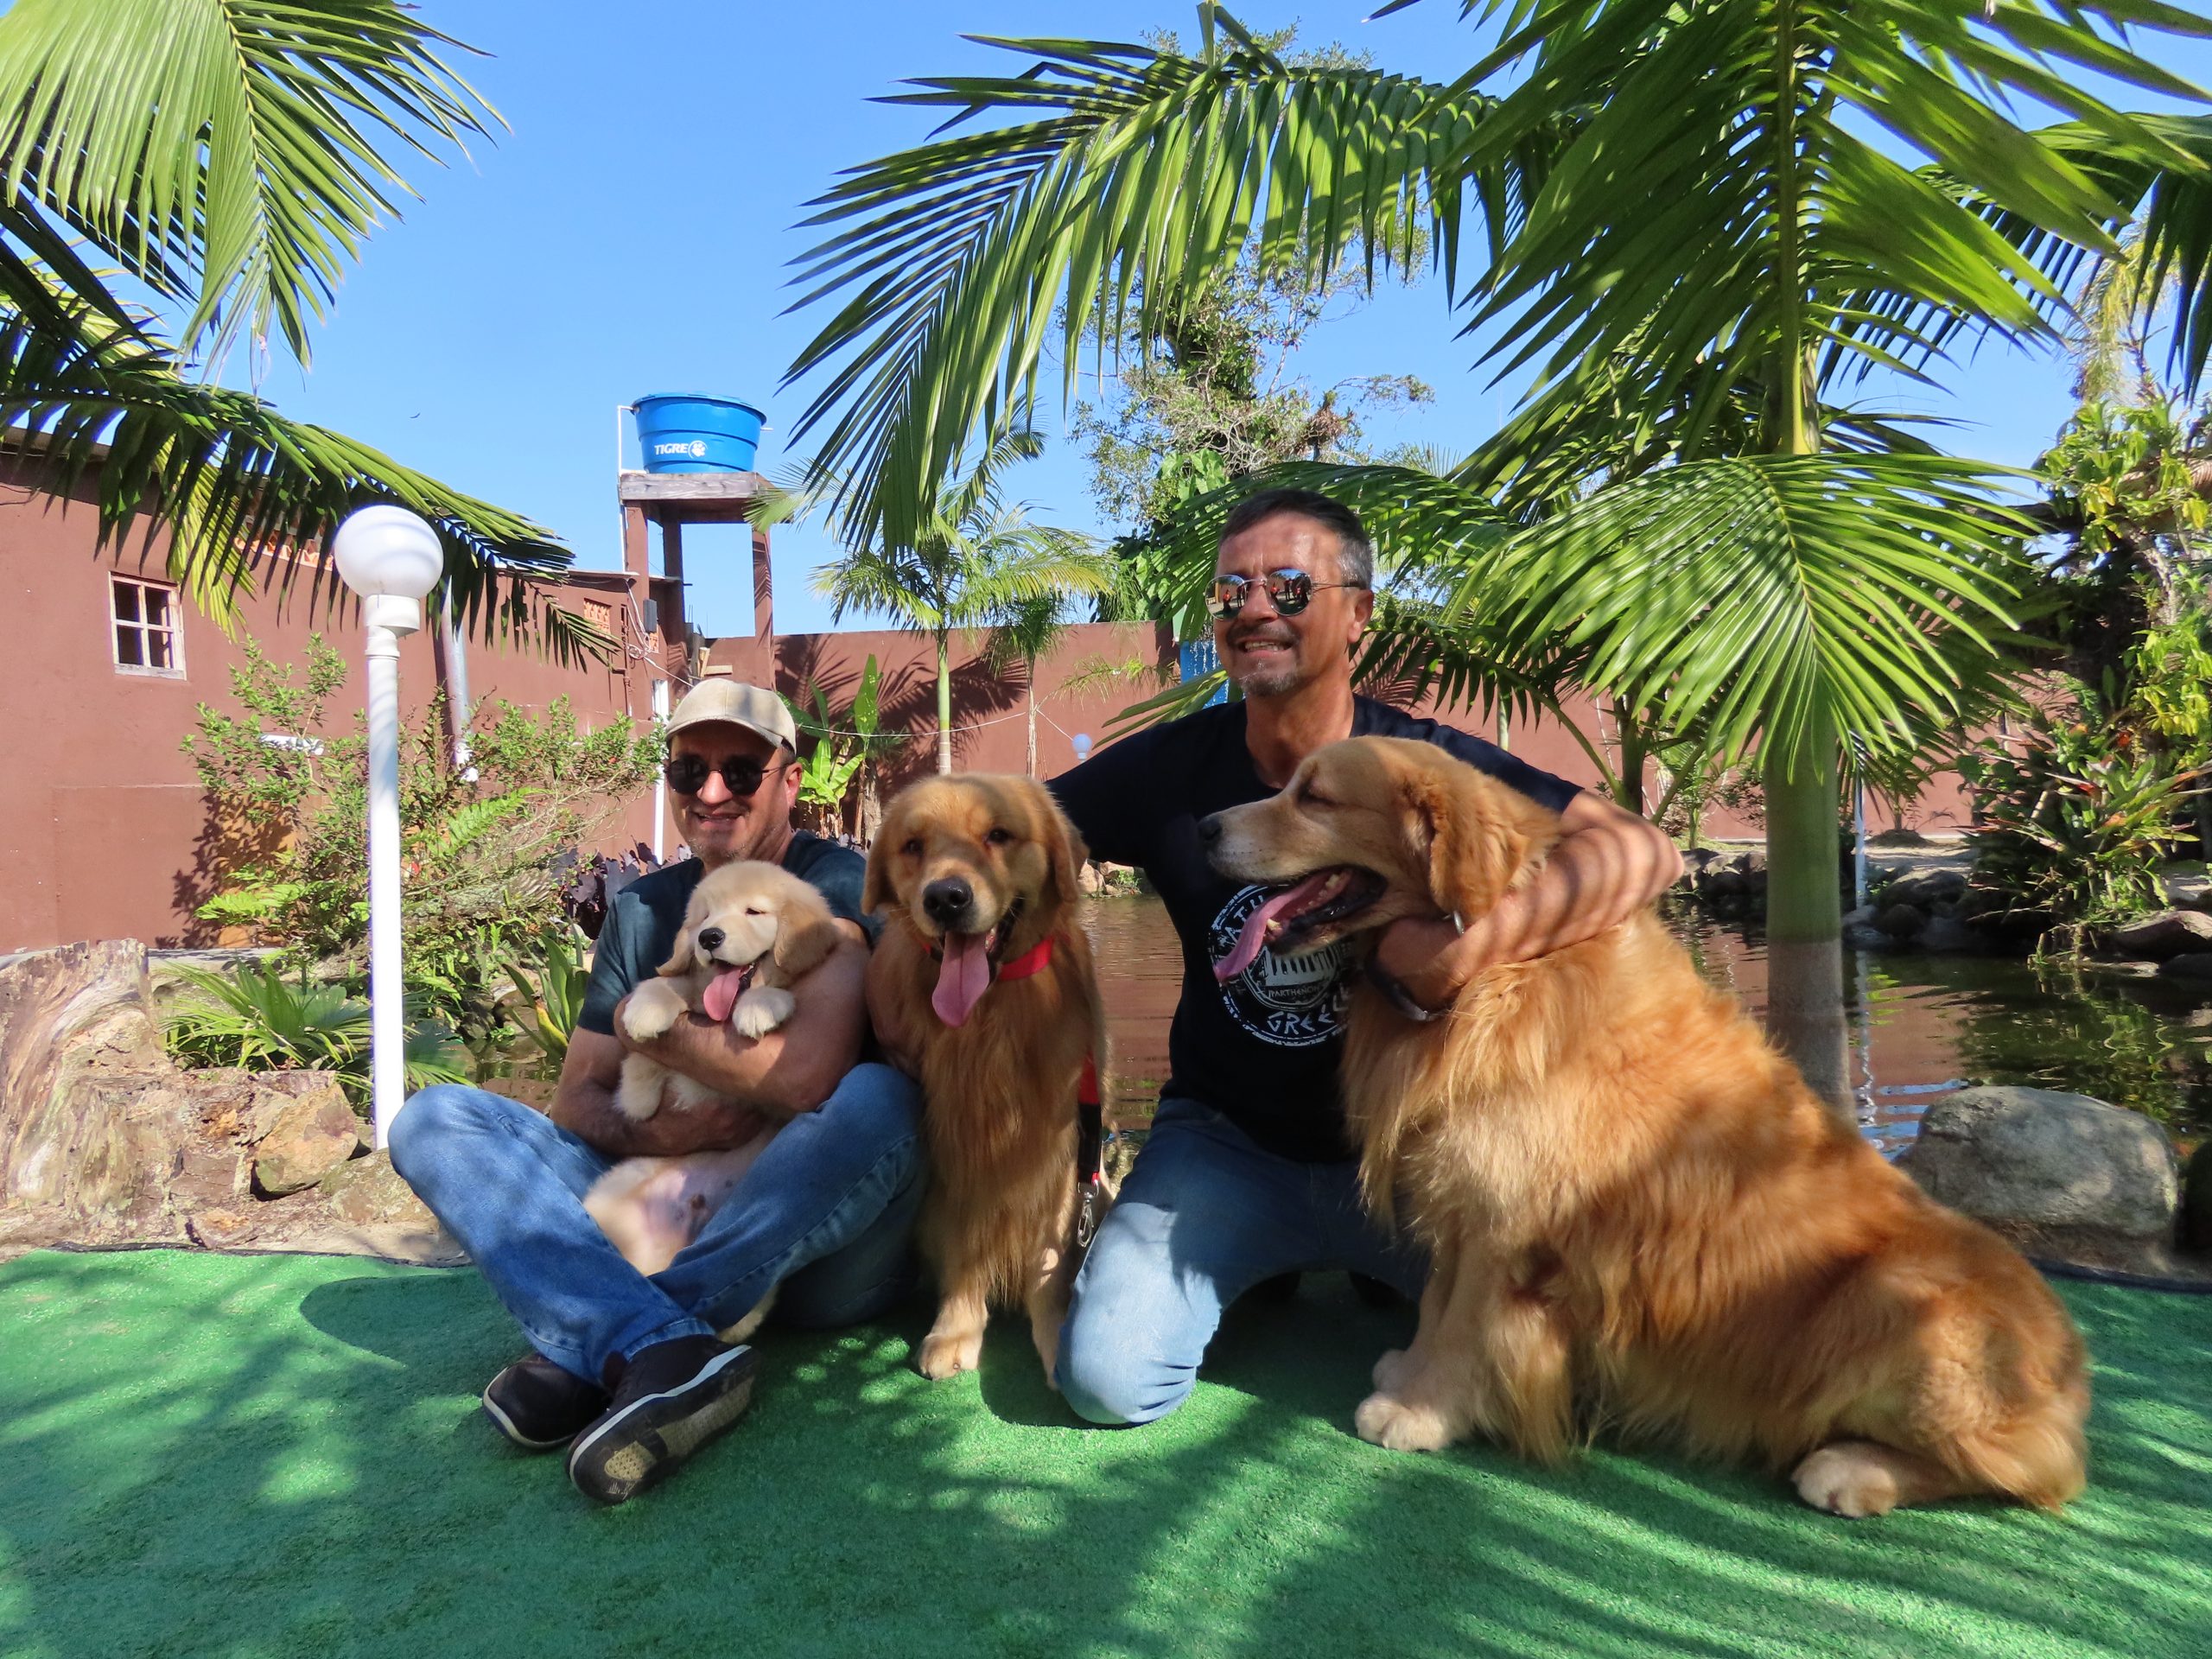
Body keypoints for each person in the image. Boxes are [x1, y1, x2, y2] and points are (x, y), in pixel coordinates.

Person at [1046, 488, 1682, 1426]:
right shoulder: (1167, 768)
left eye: (1289, 587)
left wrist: (1461, 948)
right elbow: (1013, 833)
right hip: (1226, 1144)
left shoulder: (1422, 765)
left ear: (1358, 615)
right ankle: (1253, 1265)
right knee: (1105, 1383)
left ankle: (1357, 1277)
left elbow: (1644, 852)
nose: (1254, 608)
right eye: (1230, 591)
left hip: (1416, 1161)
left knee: (1595, 1384)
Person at [391, 678, 925, 1504]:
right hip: (662, 1204)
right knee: (434, 1118)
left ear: (790, 780)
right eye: (688, 770)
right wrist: (675, 1133)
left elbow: (805, 1075)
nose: (711, 792)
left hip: (811, 1247)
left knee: (880, 1103)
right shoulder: (643, 908)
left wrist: (654, 1025)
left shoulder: (831, 883)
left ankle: (600, 1340)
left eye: (740, 771)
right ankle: (660, 1345)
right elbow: (578, 1102)